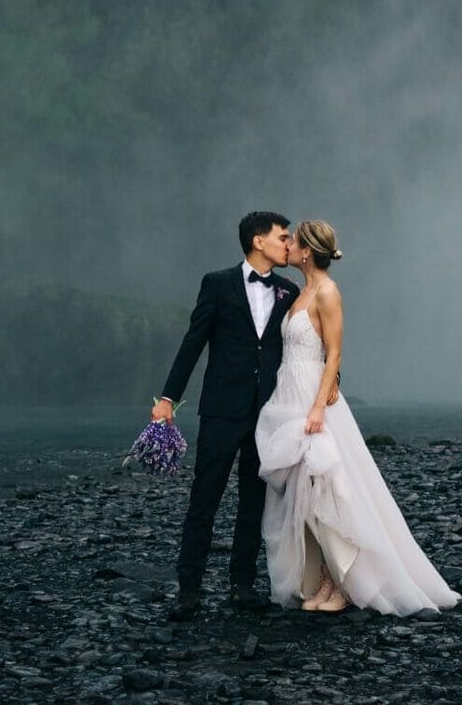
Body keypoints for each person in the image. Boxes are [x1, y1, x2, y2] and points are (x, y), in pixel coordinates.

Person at [255, 220, 460, 615]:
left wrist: (318, 407)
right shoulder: (301, 292)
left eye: (294, 241)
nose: (289, 247)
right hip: (290, 392)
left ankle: (341, 583)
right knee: (301, 492)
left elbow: (333, 352)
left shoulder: (328, 292)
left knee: (326, 489)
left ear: (308, 251)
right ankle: (322, 579)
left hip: (313, 397)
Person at [154, 211, 300, 622]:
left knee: (254, 500)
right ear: (258, 241)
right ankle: (189, 590)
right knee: (205, 497)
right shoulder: (217, 284)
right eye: (282, 237)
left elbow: (299, 348)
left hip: (267, 412)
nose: (288, 244)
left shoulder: (289, 290)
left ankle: (242, 585)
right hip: (221, 408)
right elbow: (193, 343)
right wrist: (168, 398)